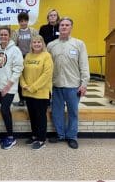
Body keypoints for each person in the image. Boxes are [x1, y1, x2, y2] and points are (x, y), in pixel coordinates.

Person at [47, 17, 90, 149]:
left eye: (67, 25)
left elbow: (84, 65)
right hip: (56, 85)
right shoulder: (51, 45)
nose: (64, 27)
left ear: (71, 27)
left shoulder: (79, 44)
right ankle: (60, 135)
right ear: (59, 27)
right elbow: (47, 67)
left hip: (73, 86)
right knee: (57, 112)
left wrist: (84, 84)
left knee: (73, 113)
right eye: (62, 25)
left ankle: (71, 137)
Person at [20, 35, 53, 150]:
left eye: (39, 42)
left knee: (40, 117)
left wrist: (33, 87)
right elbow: (22, 71)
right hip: (28, 92)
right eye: (34, 42)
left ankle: (41, 139)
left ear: (42, 43)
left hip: (41, 93)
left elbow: (47, 74)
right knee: (33, 116)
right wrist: (23, 85)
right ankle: (34, 136)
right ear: (31, 44)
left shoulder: (47, 56)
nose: (37, 44)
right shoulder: (28, 56)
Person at [0, 26, 23, 150]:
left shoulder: (15, 50)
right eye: (1, 35)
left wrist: (8, 86)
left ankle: (11, 138)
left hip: (8, 88)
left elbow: (18, 69)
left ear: (9, 36)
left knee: (5, 110)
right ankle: (8, 135)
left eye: (6, 34)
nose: (3, 37)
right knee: (4, 111)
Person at [12, 12, 38, 106]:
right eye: (21, 21)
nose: (23, 23)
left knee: (31, 78)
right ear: (19, 22)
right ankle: (22, 99)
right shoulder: (16, 32)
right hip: (20, 58)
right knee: (21, 79)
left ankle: (30, 98)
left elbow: (38, 43)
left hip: (31, 57)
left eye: (25, 21)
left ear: (28, 21)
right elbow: (14, 45)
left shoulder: (34, 31)